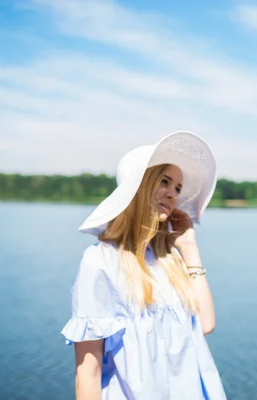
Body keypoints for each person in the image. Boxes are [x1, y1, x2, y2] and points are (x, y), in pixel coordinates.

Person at [61, 131, 226, 399]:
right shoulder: (99, 262)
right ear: (138, 186)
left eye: (178, 189)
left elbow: (206, 323)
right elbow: (87, 372)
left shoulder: (169, 258)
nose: (173, 194)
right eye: (165, 182)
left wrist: (189, 247)